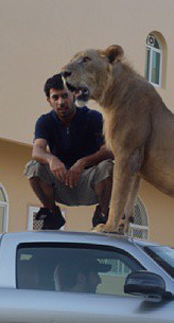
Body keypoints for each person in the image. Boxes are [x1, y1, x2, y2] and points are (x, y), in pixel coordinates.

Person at [24, 74, 114, 230]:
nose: (61, 102)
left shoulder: (93, 117)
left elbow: (109, 149)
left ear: (74, 95)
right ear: (49, 100)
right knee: (34, 167)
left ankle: (103, 214)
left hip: (90, 183)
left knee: (108, 167)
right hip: (61, 182)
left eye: (65, 96)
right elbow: (37, 150)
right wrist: (52, 160)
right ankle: (52, 213)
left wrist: (82, 163)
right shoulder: (45, 121)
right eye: (56, 97)